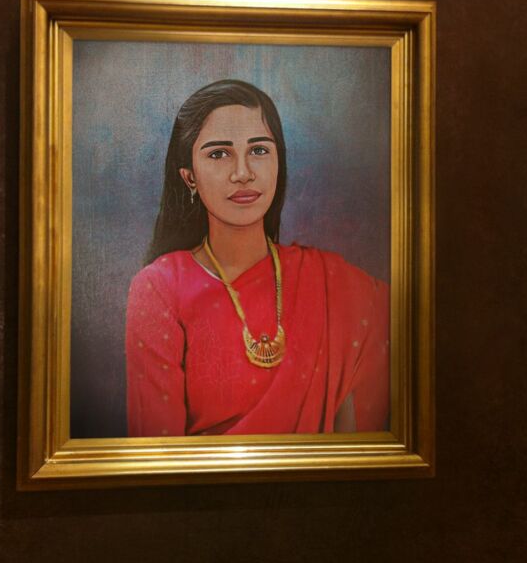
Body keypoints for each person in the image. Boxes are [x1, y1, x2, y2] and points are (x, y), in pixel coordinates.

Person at [126, 80, 389, 437]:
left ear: (279, 162)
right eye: (219, 154)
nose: (243, 173)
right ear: (189, 178)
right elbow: (158, 455)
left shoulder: (331, 283)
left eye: (259, 150)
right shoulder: (160, 288)